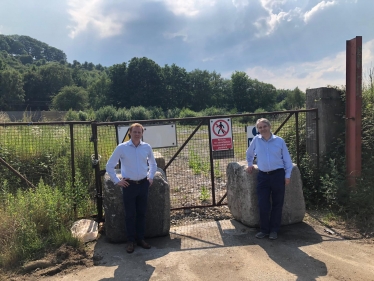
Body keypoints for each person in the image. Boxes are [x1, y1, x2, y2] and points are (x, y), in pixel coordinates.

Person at [106, 123, 157, 253]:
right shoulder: (122, 148)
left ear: (142, 133)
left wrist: (150, 177)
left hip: (143, 184)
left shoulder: (146, 147)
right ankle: (130, 241)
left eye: (139, 132)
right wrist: (117, 181)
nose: (137, 134)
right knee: (130, 215)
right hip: (129, 186)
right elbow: (109, 166)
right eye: (134, 132)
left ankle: (140, 239)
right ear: (130, 132)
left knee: (141, 213)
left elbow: (153, 163)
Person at [246, 118, 293, 240]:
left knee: (277, 204)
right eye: (260, 127)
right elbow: (249, 153)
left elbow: (287, 160)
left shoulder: (279, 141)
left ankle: (274, 230)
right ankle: (264, 230)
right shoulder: (256, 140)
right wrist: (250, 164)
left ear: (269, 126)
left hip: (278, 175)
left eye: (264, 126)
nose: (262, 129)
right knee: (263, 204)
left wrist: (287, 176)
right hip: (263, 176)